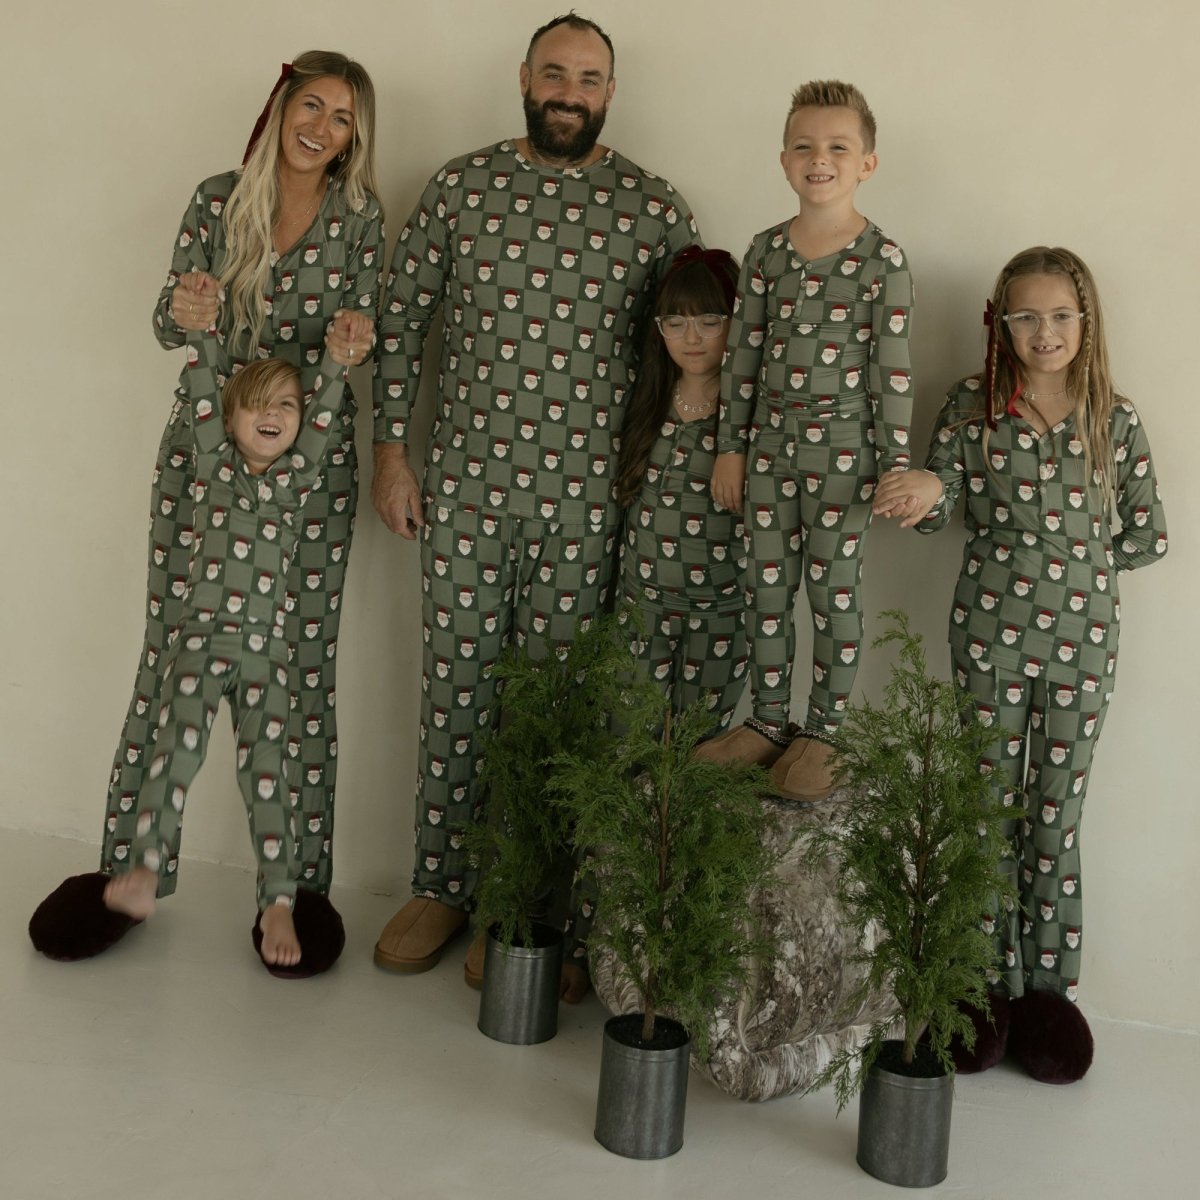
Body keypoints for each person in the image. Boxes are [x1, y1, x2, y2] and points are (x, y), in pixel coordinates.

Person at [370, 13, 701, 992]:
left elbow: (690, 345)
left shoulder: (651, 207)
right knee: (456, 687)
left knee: (559, 705)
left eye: (588, 77)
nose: (569, 90)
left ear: (610, 90)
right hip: (464, 492)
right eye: (553, 72)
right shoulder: (461, 186)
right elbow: (403, 320)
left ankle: (529, 904)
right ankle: (440, 884)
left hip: (587, 504)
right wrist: (393, 451)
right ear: (524, 77)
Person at [873, 246, 1168, 1083]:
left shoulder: (1117, 418)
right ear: (1002, 323)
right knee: (985, 809)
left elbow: (1144, 537)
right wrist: (927, 496)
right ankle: (979, 987)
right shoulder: (971, 408)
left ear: (1086, 320)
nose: (1046, 332)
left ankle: (1048, 996)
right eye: (1027, 316)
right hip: (990, 636)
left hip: (1088, 647)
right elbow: (944, 507)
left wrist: (1075, 573)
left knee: (1054, 816)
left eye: (1062, 316)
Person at [102, 52, 384, 899]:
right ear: (281, 107)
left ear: (353, 139)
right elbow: (168, 320)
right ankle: (131, 873)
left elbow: (362, 331)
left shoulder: (360, 219)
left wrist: (353, 347)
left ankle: (291, 898)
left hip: (312, 465)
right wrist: (184, 311)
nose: (321, 127)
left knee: (298, 662)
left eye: (342, 118)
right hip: (202, 457)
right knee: (171, 652)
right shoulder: (217, 199)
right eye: (311, 105)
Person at [102, 316, 368, 972]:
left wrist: (335, 365)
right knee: (172, 759)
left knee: (269, 776)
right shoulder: (213, 465)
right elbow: (202, 386)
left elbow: (325, 415)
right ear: (229, 419)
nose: (274, 414)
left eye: (287, 405)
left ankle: (277, 898)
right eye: (257, 404)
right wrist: (203, 333)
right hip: (198, 646)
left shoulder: (297, 480)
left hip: (267, 658)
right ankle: (142, 868)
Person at [702, 80, 914, 801]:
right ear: (784, 159)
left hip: (845, 463)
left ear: (867, 164)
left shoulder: (883, 261)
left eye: (837, 147)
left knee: (832, 595)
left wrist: (895, 466)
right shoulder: (764, 252)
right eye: (803, 146)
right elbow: (744, 359)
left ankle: (824, 731)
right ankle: (766, 722)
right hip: (766, 455)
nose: (818, 160)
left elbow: (892, 373)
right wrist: (732, 448)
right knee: (764, 590)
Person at [614, 246, 747, 728]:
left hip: (722, 613)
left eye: (710, 321)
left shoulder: (751, 418)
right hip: (640, 608)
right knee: (625, 746)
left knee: (698, 754)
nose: (691, 338)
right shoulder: (645, 399)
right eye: (675, 322)